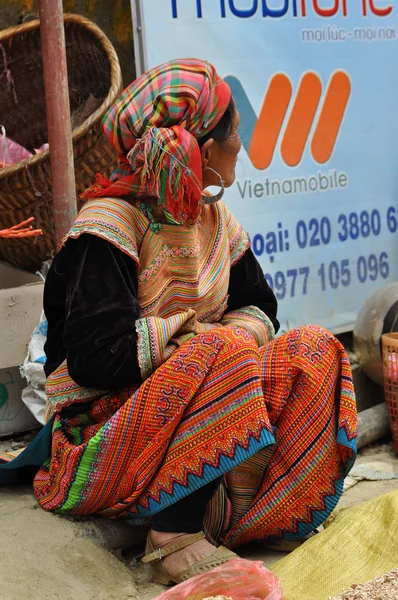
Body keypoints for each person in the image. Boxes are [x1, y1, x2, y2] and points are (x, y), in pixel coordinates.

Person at [5, 59, 357, 585]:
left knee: (314, 349)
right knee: (226, 350)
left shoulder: (214, 222)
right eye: (232, 133)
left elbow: (262, 307)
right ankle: (174, 532)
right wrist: (196, 347)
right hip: (102, 437)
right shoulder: (107, 227)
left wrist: (215, 343)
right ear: (203, 150)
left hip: (195, 415)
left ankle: (260, 514)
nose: (241, 143)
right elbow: (95, 358)